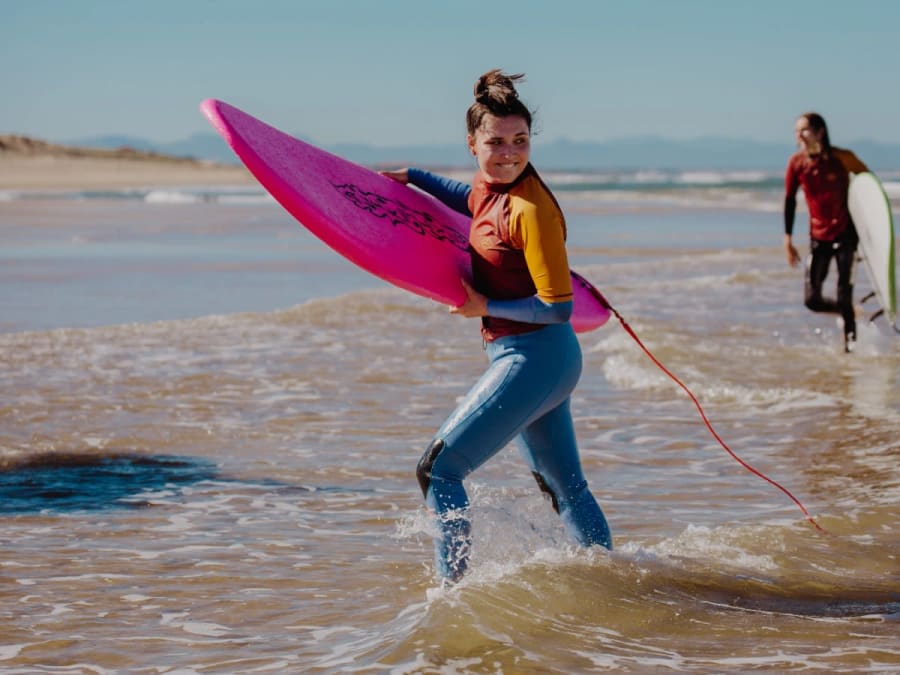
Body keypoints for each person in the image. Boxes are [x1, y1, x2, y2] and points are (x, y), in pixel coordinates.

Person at [382, 69, 611, 583]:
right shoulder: (489, 189)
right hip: (531, 357)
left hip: (538, 356)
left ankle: (452, 593)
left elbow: (558, 308)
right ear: (472, 144)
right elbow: (466, 198)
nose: (509, 152)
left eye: (521, 141)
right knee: (564, 487)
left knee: (439, 470)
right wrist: (414, 177)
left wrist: (484, 304)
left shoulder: (531, 210)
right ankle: (610, 582)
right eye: (496, 142)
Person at [783, 112, 869, 352]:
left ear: (820, 132)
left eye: (804, 130)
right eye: (796, 131)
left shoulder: (843, 158)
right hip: (818, 236)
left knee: (844, 295)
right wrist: (787, 239)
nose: (798, 135)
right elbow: (789, 200)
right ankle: (850, 311)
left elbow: (868, 185)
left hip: (846, 235)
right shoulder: (797, 163)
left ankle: (850, 350)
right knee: (812, 300)